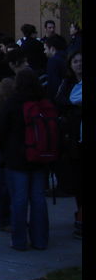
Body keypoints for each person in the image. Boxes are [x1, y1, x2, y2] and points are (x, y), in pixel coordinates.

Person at [0, 68, 53, 251]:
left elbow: (0, 132)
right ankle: (40, 239)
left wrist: (3, 152)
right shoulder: (43, 102)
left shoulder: (12, 103)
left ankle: (19, 240)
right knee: (38, 199)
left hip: (16, 159)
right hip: (39, 158)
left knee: (19, 200)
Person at [54, 49, 83, 240]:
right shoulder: (67, 84)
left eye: (82, 61)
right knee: (78, 180)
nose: (79, 64)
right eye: (76, 61)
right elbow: (60, 102)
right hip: (74, 139)